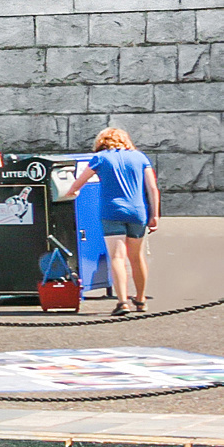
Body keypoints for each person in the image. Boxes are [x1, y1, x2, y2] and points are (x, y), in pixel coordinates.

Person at [66, 126, 159, 315]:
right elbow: (152, 188)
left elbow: (78, 183)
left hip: (111, 212)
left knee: (117, 257)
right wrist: (154, 215)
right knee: (137, 257)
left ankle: (122, 302)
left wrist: (72, 192)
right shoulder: (140, 157)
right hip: (137, 212)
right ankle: (140, 300)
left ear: (102, 142)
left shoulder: (100, 158)